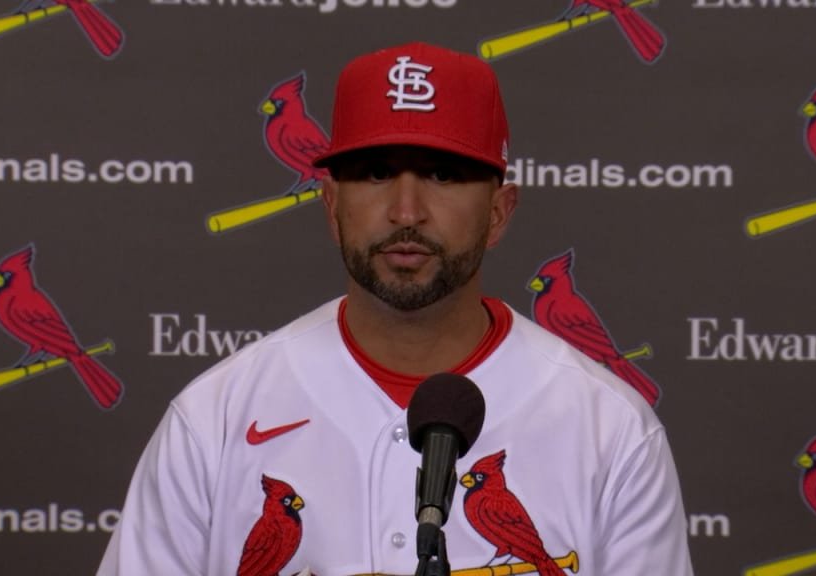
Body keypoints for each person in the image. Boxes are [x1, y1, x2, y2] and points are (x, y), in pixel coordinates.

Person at [97, 42, 694, 576]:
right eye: (377, 173)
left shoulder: (609, 429)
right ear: (331, 206)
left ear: (499, 211)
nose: (407, 211)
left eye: (443, 174)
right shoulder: (215, 419)